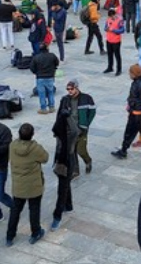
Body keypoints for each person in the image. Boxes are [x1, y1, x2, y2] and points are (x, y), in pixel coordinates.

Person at [6, 123, 48, 246]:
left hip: (18, 186)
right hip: (34, 186)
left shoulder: (12, 145)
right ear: (32, 134)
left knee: (15, 211)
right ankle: (35, 233)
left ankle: (10, 236)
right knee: (34, 210)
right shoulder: (35, 148)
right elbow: (45, 158)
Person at [111, 65, 141, 161]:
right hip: (133, 112)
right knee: (129, 131)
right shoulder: (137, 82)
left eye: (130, 73)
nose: (129, 74)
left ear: (134, 74)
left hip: (139, 113)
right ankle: (123, 150)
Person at [50, 98, 79, 232]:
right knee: (65, 184)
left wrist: (68, 118)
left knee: (62, 188)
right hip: (59, 160)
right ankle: (69, 205)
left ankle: (57, 216)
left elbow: (75, 131)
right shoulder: (59, 130)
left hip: (68, 161)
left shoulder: (69, 135)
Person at [58, 78, 96, 175]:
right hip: (70, 130)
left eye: (71, 89)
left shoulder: (86, 98)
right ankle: (75, 170)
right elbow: (60, 114)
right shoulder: (65, 99)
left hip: (81, 129)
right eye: (68, 89)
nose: (69, 91)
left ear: (77, 88)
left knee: (81, 150)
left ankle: (88, 161)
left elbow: (92, 111)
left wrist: (86, 124)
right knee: (71, 151)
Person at [30, 43, 60, 114]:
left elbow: (32, 68)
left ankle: (43, 108)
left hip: (40, 78)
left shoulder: (36, 57)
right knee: (50, 92)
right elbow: (57, 63)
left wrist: (36, 73)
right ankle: (52, 107)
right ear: (47, 48)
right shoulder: (52, 55)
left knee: (42, 94)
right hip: (50, 77)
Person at [103, 8, 124, 75]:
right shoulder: (108, 19)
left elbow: (122, 30)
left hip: (116, 41)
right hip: (109, 40)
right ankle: (110, 67)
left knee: (117, 55)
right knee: (109, 54)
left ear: (115, 14)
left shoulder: (120, 21)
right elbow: (105, 28)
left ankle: (119, 69)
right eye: (110, 16)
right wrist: (107, 29)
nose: (111, 17)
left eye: (112, 16)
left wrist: (114, 30)